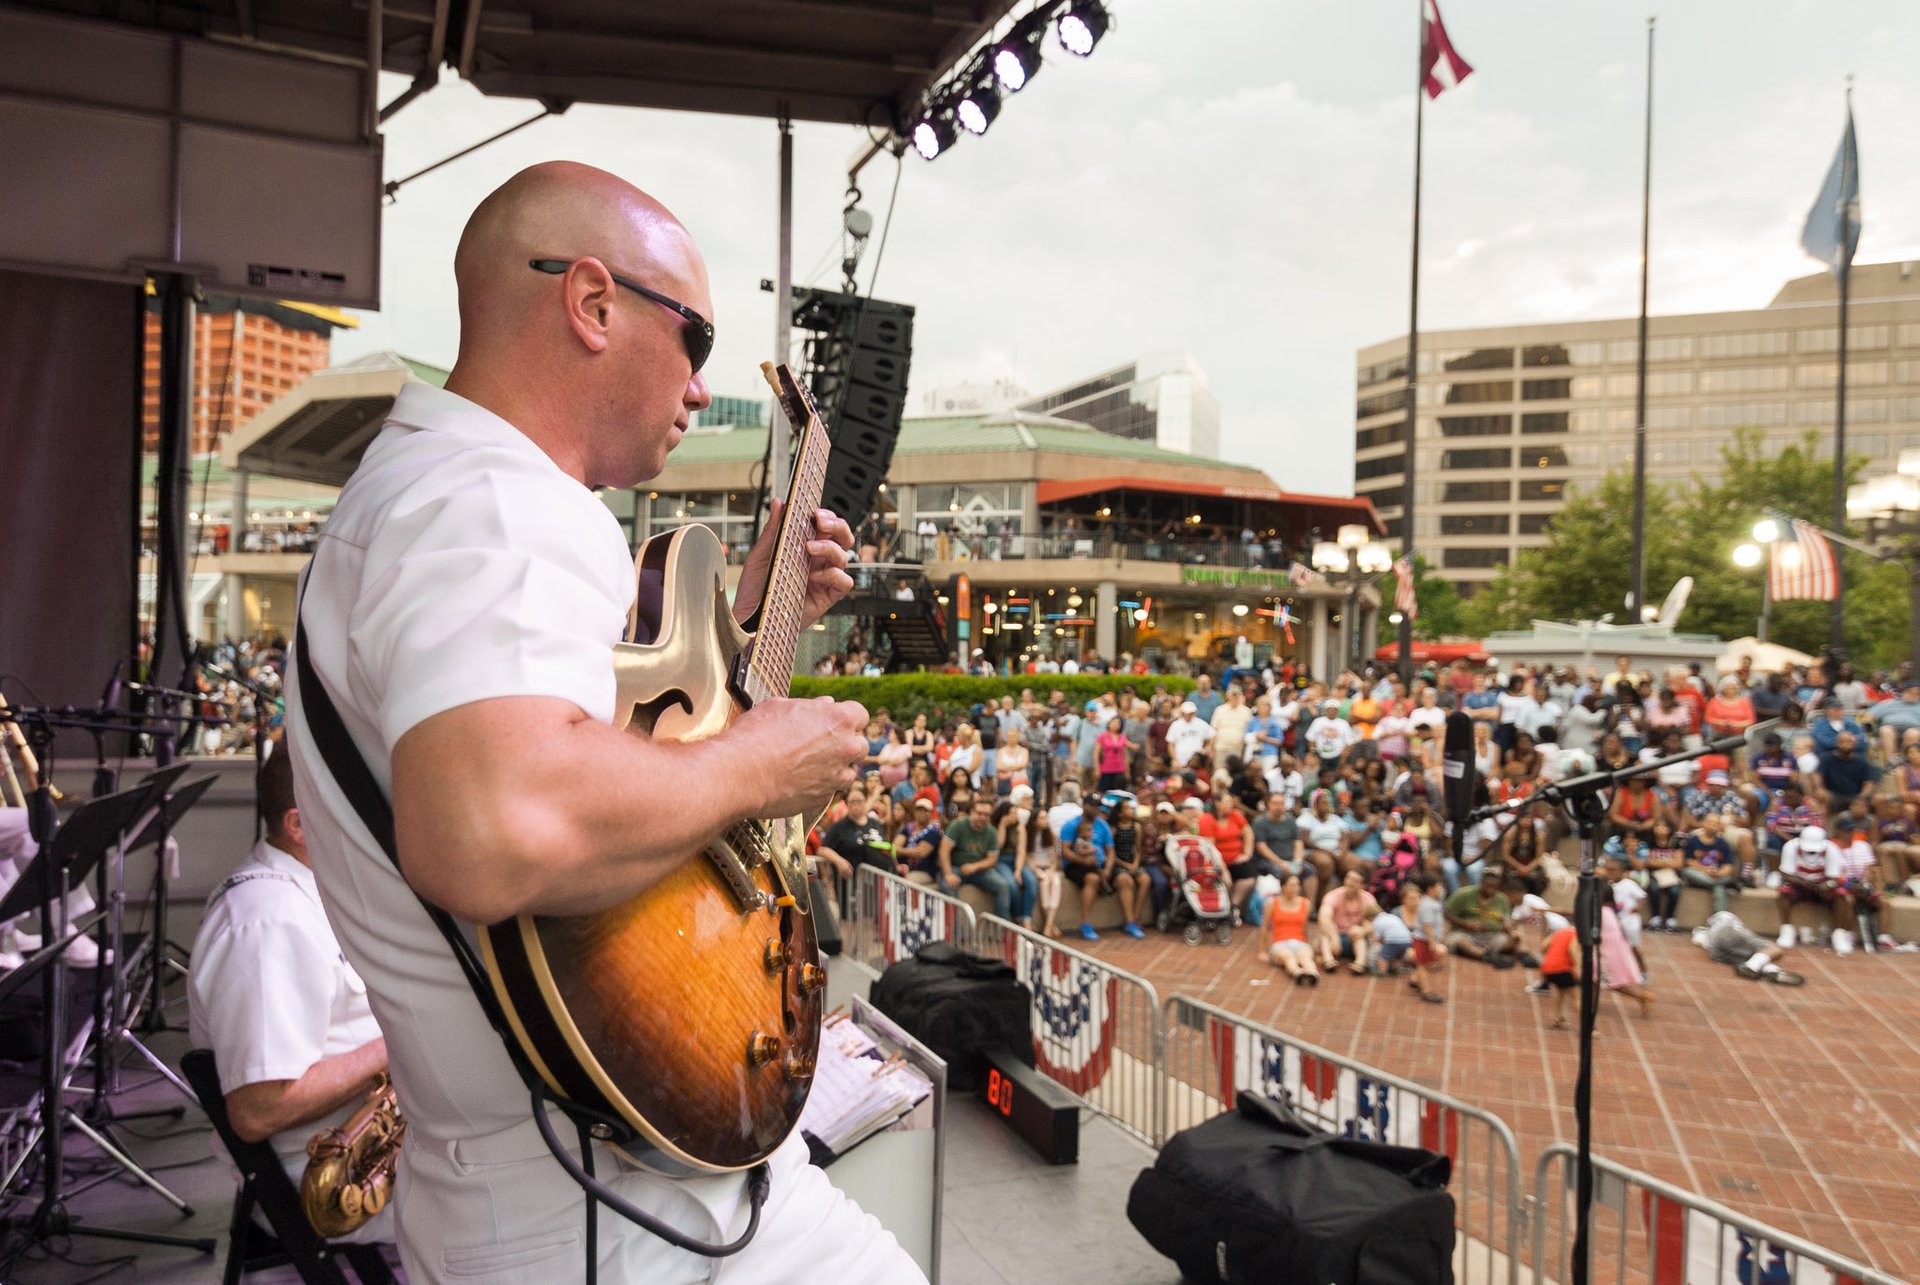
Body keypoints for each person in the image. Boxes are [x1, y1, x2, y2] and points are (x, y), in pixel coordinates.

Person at [286, 164, 919, 1282]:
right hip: (613, 1212)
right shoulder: (489, 499)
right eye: (696, 338)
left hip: (598, 1179)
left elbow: (561, 735)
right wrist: (761, 760)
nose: (699, 385)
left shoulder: (447, 494)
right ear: (591, 303)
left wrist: (738, 621)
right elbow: (495, 824)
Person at [186, 744, 393, 1245]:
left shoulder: (314, 891)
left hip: (378, 1145)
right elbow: (259, 1110)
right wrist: (402, 1043)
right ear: (298, 826)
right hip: (336, 1178)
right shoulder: (268, 923)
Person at [941, 796, 1012, 918]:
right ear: (972, 812)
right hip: (956, 867)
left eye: (987, 815)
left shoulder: (991, 832)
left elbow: (992, 859)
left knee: (1003, 886)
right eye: (979, 813)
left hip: (979, 870)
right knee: (947, 886)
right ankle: (956, 931)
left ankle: (1002, 930)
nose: (983, 817)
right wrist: (948, 874)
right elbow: (944, 851)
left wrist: (974, 867)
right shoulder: (958, 825)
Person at [1058, 794, 1115, 942]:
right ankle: (1086, 923)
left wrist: (1108, 868)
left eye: (1098, 806)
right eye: (1093, 806)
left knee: (1124, 879)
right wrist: (1082, 860)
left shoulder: (1103, 825)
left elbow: (1110, 850)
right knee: (1093, 878)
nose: (1096, 809)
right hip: (1076, 865)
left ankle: (1131, 921)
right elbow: (1065, 851)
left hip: (1098, 864)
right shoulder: (1072, 825)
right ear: (1085, 805)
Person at [1444, 866, 1517, 967]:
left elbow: (1506, 919)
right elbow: (1446, 912)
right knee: (1460, 942)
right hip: (1465, 933)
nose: (1490, 890)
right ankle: (1486, 956)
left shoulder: (1502, 899)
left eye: (1493, 887)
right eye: (1487, 886)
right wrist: (1464, 923)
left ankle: (1482, 953)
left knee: (1511, 942)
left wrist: (1511, 931)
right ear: (1481, 882)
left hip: (1491, 935)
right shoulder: (1463, 894)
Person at [1316, 870, 1380, 976]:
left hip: (1354, 938)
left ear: (1362, 885)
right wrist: (1334, 936)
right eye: (1348, 878)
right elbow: (1323, 918)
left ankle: (1359, 963)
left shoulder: (1368, 899)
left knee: (1358, 935)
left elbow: (1375, 922)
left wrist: (1362, 930)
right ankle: (1328, 961)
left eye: (1355, 881)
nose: (1350, 882)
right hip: (1335, 938)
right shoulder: (1333, 896)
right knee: (1325, 933)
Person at [1262, 873, 1318, 986]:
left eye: (1297, 885)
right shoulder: (1272, 903)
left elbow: (1305, 926)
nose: (1295, 888)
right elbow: (1265, 927)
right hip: (1279, 943)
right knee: (1288, 957)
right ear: (1283, 887)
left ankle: (1312, 973)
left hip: (1299, 941)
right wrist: (1262, 951)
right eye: (1292, 885)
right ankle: (1297, 973)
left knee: (1305, 957)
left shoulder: (1305, 903)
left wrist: (1308, 942)